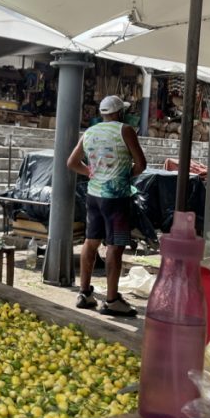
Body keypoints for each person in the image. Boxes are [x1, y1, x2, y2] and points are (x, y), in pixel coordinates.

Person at [67, 94, 147, 316]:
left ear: (103, 113)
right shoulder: (125, 130)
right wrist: (123, 176)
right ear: (120, 113)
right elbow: (141, 164)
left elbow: (72, 162)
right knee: (115, 247)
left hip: (94, 195)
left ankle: (84, 293)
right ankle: (112, 300)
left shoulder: (90, 132)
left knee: (90, 242)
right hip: (116, 198)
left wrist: (91, 172)